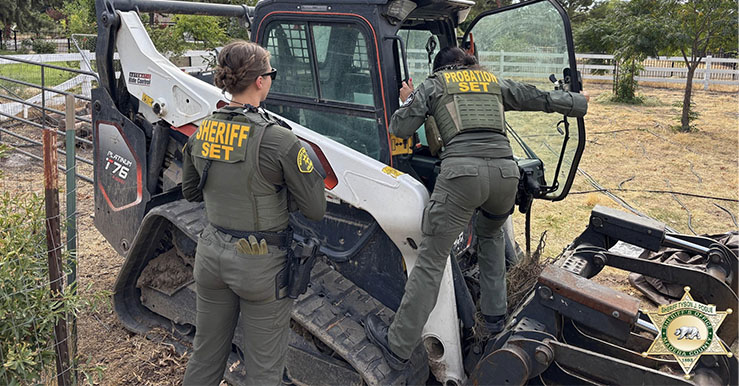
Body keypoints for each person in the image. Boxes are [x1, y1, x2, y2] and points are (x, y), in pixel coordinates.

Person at [365, 47, 589, 369]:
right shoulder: (491, 82)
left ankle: (397, 346)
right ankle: (495, 322)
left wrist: (409, 99)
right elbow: (536, 97)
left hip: (461, 177)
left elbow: (398, 128)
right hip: (504, 176)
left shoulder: (435, 84)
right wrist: (577, 103)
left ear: (439, 68)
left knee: (430, 261)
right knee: (491, 237)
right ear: (469, 64)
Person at [181, 40, 326, 385]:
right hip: (261, 265)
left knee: (205, 356)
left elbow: (190, 192)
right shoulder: (279, 140)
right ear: (260, 81)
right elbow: (315, 209)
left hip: (211, 255)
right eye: (270, 73)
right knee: (264, 371)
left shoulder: (202, 131)